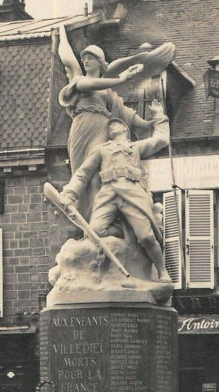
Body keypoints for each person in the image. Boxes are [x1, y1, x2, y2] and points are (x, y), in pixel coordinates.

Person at [59, 99, 171, 282]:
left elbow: (161, 140)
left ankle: (162, 271)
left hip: (132, 191)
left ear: (125, 130)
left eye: (116, 124)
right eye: (110, 126)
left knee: (146, 236)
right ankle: (129, 233)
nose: (112, 126)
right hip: (108, 193)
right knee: (94, 231)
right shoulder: (101, 149)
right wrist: (71, 194)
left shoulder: (135, 147)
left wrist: (159, 116)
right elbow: (83, 173)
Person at [59, 45, 154, 218]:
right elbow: (91, 84)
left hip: (102, 129)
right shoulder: (79, 80)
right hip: (82, 128)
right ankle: (81, 214)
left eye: (91, 58)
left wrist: (148, 124)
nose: (86, 61)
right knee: (80, 171)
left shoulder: (108, 92)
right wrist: (121, 79)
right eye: (84, 58)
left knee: (97, 175)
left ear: (100, 62)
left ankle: (97, 218)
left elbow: (124, 112)